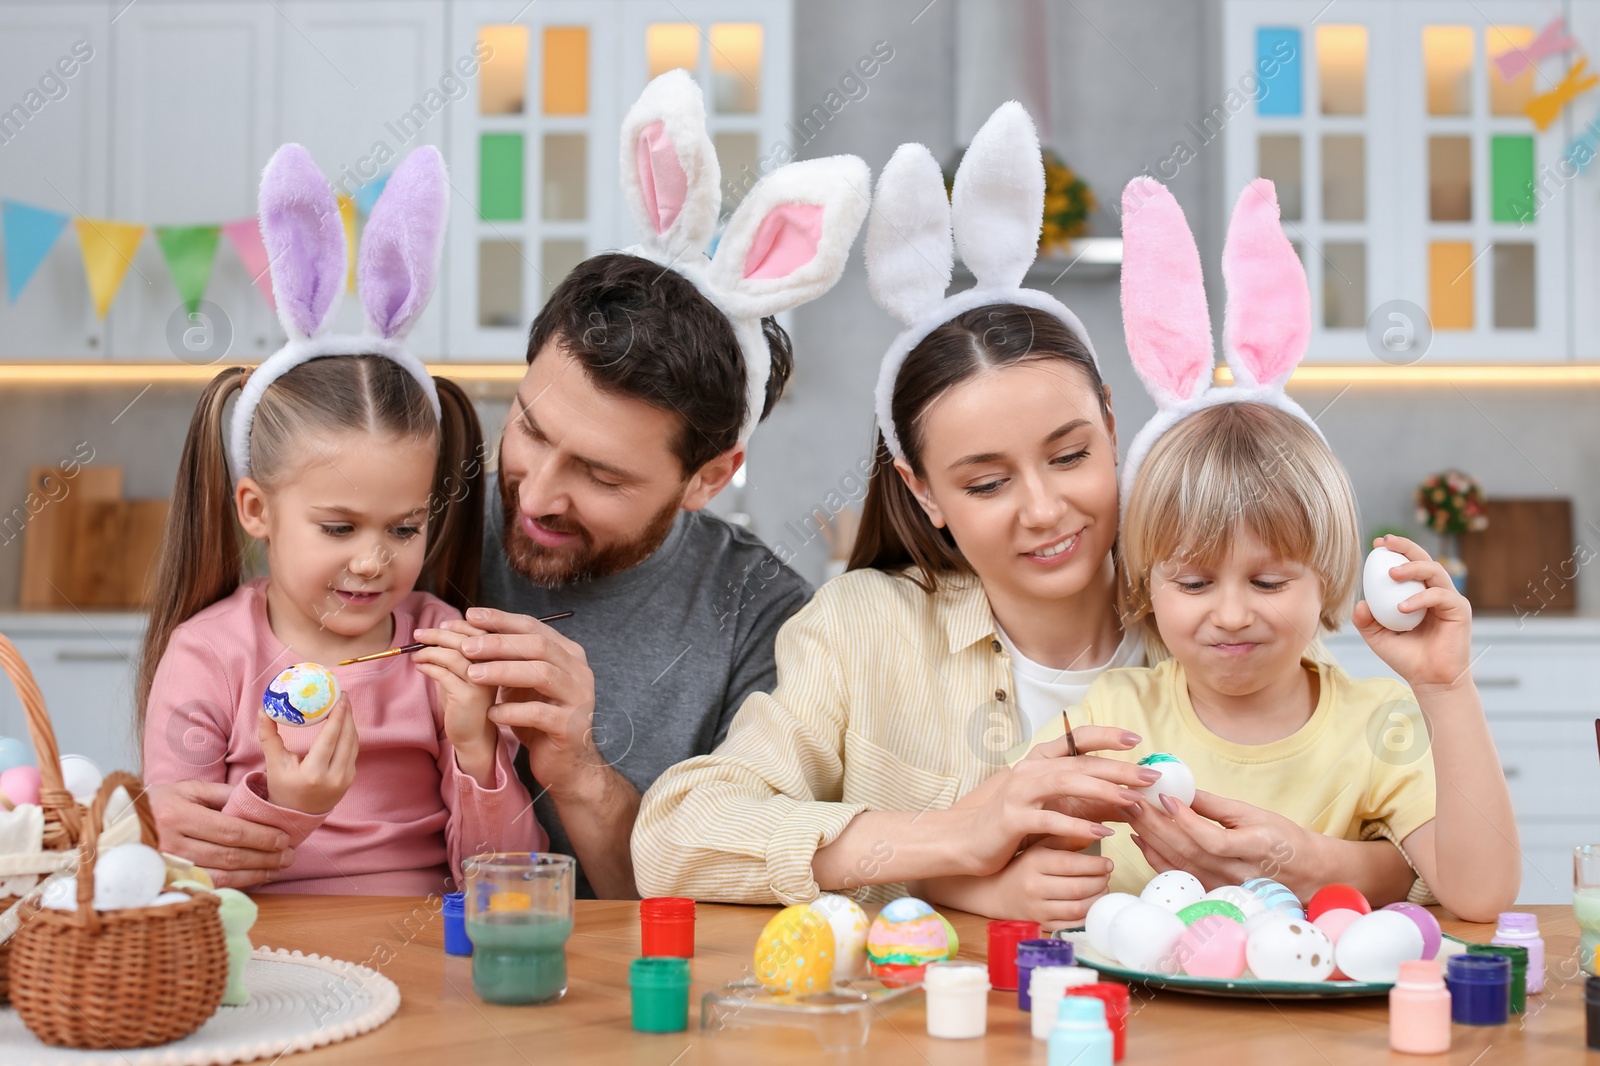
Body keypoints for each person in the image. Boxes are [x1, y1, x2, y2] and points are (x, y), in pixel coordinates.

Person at [632, 104, 1420, 926]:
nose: (1045, 511)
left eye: (1071, 455)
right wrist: (952, 846)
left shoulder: (1219, 612)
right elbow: (676, 838)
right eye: (985, 484)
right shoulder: (861, 632)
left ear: (1112, 425)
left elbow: (1430, 863)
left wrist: (1303, 860)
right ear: (924, 490)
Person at [148, 71, 872, 899]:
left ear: (708, 478)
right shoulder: (414, 510)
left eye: (599, 474)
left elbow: (711, 907)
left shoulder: (759, 618)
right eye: (529, 427)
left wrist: (578, 770)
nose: (532, 496)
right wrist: (166, 822)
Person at [1017, 177, 1519, 922]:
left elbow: (1481, 897)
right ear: (1145, 584)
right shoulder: (1113, 719)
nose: (1230, 614)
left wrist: (1447, 691)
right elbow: (1028, 876)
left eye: (1269, 580)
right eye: (1192, 582)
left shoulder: (1374, 722)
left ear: (1325, 577)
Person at [140, 145, 540, 894]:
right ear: (256, 510)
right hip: (265, 969)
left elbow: (507, 885)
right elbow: (179, 879)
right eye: (338, 527)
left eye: (403, 528)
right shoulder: (209, 656)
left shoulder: (440, 650)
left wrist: (476, 747)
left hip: (427, 971)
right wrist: (290, 810)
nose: (371, 561)